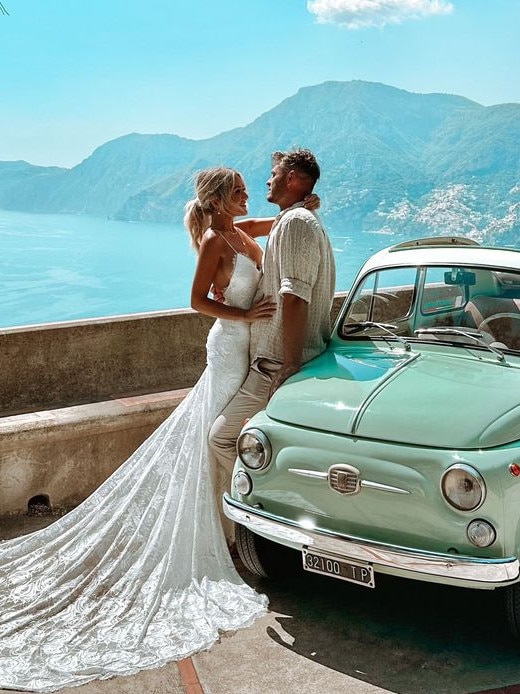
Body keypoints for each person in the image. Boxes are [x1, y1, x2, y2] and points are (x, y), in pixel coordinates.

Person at [0, 166, 317, 693]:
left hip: (246, 351)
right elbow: (197, 302)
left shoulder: (241, 230)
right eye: (238, 191)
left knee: (218, 437)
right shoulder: (217, 240)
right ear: (219, 198)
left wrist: (306, 203)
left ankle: (225, 527)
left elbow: (281, 222)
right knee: (211, 437)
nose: (246, 195)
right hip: (227, 348)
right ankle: (221, 532)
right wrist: (244, 317)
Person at [209, 149, 336, 511]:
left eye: (274, 173)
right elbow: (241, 231)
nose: (268, 180)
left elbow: (294, 296)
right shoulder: (293, 219)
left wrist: (290, 364)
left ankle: (271, 507)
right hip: (269, 360)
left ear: (292, 178)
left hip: (275, 366)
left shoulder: (296, 222)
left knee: (222, 439)